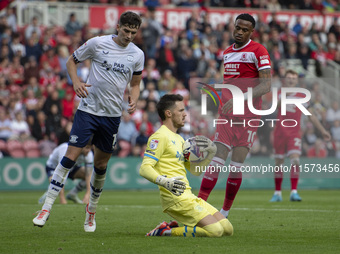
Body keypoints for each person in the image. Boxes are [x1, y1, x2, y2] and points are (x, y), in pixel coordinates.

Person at [33, 11, 144, 232]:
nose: (129, 36)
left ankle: (91, 212)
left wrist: (135, 97)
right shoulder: (96, 43)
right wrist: (75, 82)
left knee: (101, 166)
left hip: (112, 116)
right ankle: (46, 208)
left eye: (133, 32)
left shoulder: (137, 54)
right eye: (126, 30)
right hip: (88, 111)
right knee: (70, 158)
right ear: (118, 26)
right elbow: (71, 61)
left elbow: (135, 83)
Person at [197, 13, 272, 218]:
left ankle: (224, 212)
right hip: (227, 115)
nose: (239, 32)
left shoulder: (259, 51)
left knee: (236, 166)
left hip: (248, 116)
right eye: (237, 27)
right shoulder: (227, 52)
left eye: (244, 29)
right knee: (217, 160)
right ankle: (197, 208)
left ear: (251, 32)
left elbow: (266, 85)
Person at [140, 94, 233, 237]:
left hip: (188, 196)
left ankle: (171, 226)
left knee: (227, 229)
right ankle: (165, 231)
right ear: (169, 113)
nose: (185, 114)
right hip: (175, 199)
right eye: (181, 110)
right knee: (216, 231)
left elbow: (194, 171)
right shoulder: (159, 136)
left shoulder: (179, 139)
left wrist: (209, 155)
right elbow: (144, 168)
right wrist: (165, 181)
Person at [270, 70, 331, 202]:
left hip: (294, 132)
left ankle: (294, 191)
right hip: (280, 132)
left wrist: (322, 131)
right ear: (285, 79)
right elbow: (275, 107)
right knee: (279, 162)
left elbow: (310, 115)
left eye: (294, 78)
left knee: (295, 160)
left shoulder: (302, 95)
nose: (291, 80)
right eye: (289, 77)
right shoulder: (279, 92)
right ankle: (277, 193)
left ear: (297, 80)